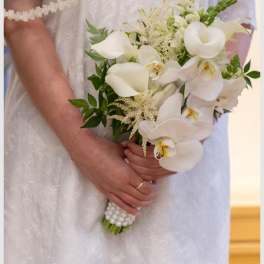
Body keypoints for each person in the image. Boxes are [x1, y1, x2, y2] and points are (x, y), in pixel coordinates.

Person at [4, 0, 256, 263]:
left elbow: (238, 17)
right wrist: (82, 144)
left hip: (174, 172)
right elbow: (21, 21)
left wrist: (185, 134)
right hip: (56, 145)